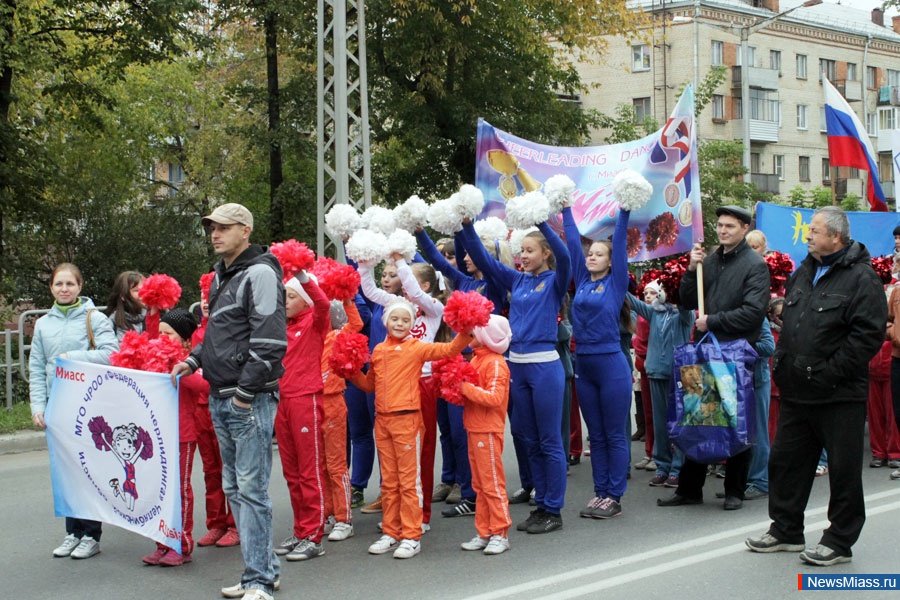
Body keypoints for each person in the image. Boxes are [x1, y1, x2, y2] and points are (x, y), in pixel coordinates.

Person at [746, 206, 887, 566]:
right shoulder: (805, 271)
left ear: (836, 237)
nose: (808, 236)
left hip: (838, 393)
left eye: (815, 231)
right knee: (787, 462)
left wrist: (827, 373)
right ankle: (786, 529)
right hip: (797, 389)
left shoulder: (862, 278)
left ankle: (839, 541)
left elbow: (866, 337)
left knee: (842, 470)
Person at [171, 203, 286, 600]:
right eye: (211, 228)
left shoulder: (260, 272)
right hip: (223, 395)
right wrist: (193, 359)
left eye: (223, 227)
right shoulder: (224, 274)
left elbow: (270, 342)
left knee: (251, 490)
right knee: (236, 487)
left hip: (245, 398)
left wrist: (244, 393)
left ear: (245, 230)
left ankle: (259, 581)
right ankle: (262, 568)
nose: (215, 234)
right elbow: (220, 334)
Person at [462, 215, 571, 534]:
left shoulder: (555, 279)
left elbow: (566, 256)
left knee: (549, 440)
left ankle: (554, 508)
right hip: (517, 366)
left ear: (545, 253)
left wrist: (544, 224)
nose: (523, 256)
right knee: (527, 437)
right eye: (521, 250)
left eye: (530, 250)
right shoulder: (517, 280)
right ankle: (541, 502)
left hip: (545, 366)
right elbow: (483, 259)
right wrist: (466, 226)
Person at [659, 205, 769, 511]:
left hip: (733, 353)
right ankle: (689, 489)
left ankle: (735, 489)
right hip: (702, 350)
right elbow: (687, 300)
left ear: (744, 228)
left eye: (730, 226)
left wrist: (714, 321)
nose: (723, 231)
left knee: (735, 421)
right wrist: (692, 271)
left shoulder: (755, 265)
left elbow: (753, 312)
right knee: (696, 417)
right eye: (720, 226)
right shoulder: (708, 260)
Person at [349, 298, 472, 559]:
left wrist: (466, 329)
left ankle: (412, 534)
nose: (400, 324)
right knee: (390, 483)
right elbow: (369, 385)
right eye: (395, 319)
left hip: (407, 420)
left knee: (408, 482)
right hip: (382, 422)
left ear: (412, 325)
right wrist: (347, 370)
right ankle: (391, 532)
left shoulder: (417, 348)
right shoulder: (379, 351)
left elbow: (450, 349)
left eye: (406, 320)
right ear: (385, 322)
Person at [30, 263, 119, 560]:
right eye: (59, 284)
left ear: (80, 287)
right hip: (58, 407)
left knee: (87, 470)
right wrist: (38, 407)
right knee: (65, 471)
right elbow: (37, 368)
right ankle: (73, 532)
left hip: (88, 407)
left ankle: (91, 535)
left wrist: (73, 357)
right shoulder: (43, 324)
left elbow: (112, 354)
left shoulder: (95, 319)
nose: (64, 289)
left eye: (70, 284)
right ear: (51, 288)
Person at [359, 255, 449, 526]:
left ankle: (421, 515)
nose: (401, 282)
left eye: (407, 277)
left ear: (422, 284)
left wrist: (400, 262)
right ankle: (396, 511)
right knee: (394, 453)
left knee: (423, 449)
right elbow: (371, 291)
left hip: (422, 384)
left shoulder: (434, 308)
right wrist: (364, 263)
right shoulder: (400, 306)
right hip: (394, 383)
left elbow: (418, 295)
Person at [562, 203, 633, 519]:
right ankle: (600, 492)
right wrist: (565, 209)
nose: (592, 256)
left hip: (611, 366)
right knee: (597, 434)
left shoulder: (617, 282)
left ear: (610, 261)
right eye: (592, 253)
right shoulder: (582, 278)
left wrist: (625, 211)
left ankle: (614, 496)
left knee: (614, 433)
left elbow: (619, 245)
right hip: (585, 366)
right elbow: (573, 246)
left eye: (599, 254)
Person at [273, 272, 330, 562]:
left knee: (310, 471)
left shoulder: (314, 321)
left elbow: (323, 304)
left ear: (304, 298)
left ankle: (314, 535)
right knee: (291, 473)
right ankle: (300, 531)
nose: (285, 300)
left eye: (291, 295)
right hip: (281, 401)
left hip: (306, 399)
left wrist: (302, 276)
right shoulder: (280, 325)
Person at [142, 308, 200, 567]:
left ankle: (181, 545)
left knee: (179, 491)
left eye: (169, 334)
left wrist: (180, 373)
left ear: (185, 340)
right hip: (156, 435)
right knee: (159, 492)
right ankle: (162, 543)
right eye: (160, 333)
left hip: (183, 434)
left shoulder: (190, 361)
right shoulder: (155, 358)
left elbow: (205, 385)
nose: (162, 338)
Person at [628, 280, 693, 489]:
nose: (663, 294)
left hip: (679, 374)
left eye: (666, 290)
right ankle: (662, 466)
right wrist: (615, 273)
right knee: (660, 423)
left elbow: (684, 307)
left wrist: (678, 291)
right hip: (656, 372)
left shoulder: (684, 314)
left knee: (678, 423)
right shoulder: (654, 312)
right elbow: (630, 300)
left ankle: (678, 469)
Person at [457, 315, 513, 555]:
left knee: (492, 484)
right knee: (480, 484)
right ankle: (485, 531)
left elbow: (494, 398)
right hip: (474, 427)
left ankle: (500, 533)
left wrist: (463, 387)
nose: (470, 334)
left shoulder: (497, 363)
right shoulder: (478, 359)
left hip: (488, 429)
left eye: (475, 331)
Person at [191, 275, 239, 548]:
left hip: (222, 404)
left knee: (229, 469)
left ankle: (236, 524)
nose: (206, 302)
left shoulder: (227, 330)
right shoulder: (197, 331)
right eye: (202, 296)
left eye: (211, 296)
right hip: (200, 409)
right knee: (210, 470)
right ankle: (217, 523)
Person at [320, 298, 364, 541]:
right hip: (312, 403)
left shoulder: (337, 335)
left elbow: (355, 323)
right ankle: (328, 513)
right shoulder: (307, 337)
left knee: (336, 464)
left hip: (334, 401)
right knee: (321, 464)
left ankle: (344, 519)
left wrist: (347, 297)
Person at [104, 271, 159, 341]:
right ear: (123, 296)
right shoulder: (110, 323)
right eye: (136, 291)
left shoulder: (150, 317)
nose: (142, 294)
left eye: (144, 290)